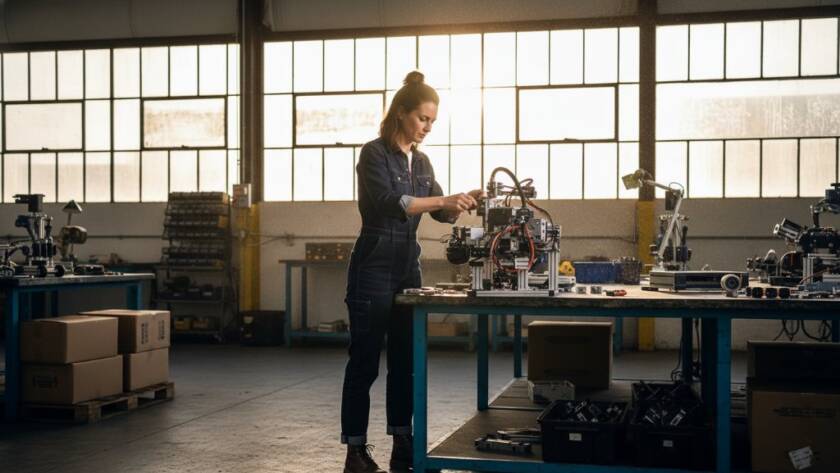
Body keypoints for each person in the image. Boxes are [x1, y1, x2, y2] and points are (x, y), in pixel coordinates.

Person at [341, 71, 483, 473]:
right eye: (423, 118)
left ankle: (403, 442)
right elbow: (390, 201)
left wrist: (462, 201)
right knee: (365, 361)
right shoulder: (374, 154)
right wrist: (442, 198)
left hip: (407, 265)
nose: (427, 128)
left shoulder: (421, 161)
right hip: (373, 264)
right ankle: (355, 450)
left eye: (433, 122)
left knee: (404, 361)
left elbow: (437, 210)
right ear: (401, 113)